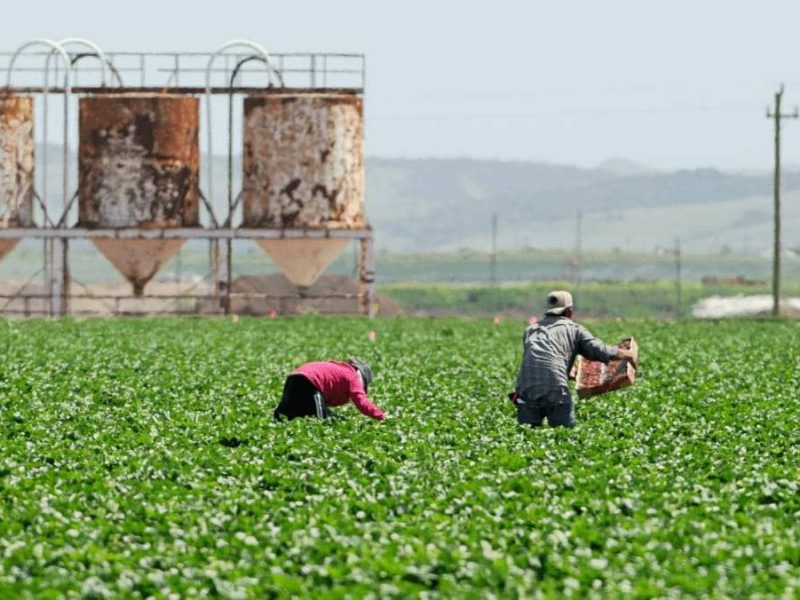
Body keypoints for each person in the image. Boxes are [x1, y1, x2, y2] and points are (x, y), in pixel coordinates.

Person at [512, 290, 636, 428]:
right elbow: (598, 349)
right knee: (564, 436)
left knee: (528, 434)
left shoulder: (530, 330)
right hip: (556, 390)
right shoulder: (574, 329)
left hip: (526, 390)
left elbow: (542, 357)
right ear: (570, 311)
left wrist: (570, 371)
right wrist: (627, 354)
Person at [273, 358, 385, 421]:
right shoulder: (353, 377)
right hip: (310, 384)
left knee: (285, 415)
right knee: (323, 422)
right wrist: (381, 416)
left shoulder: (340, 369)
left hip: (293, 379)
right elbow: (362, 402)